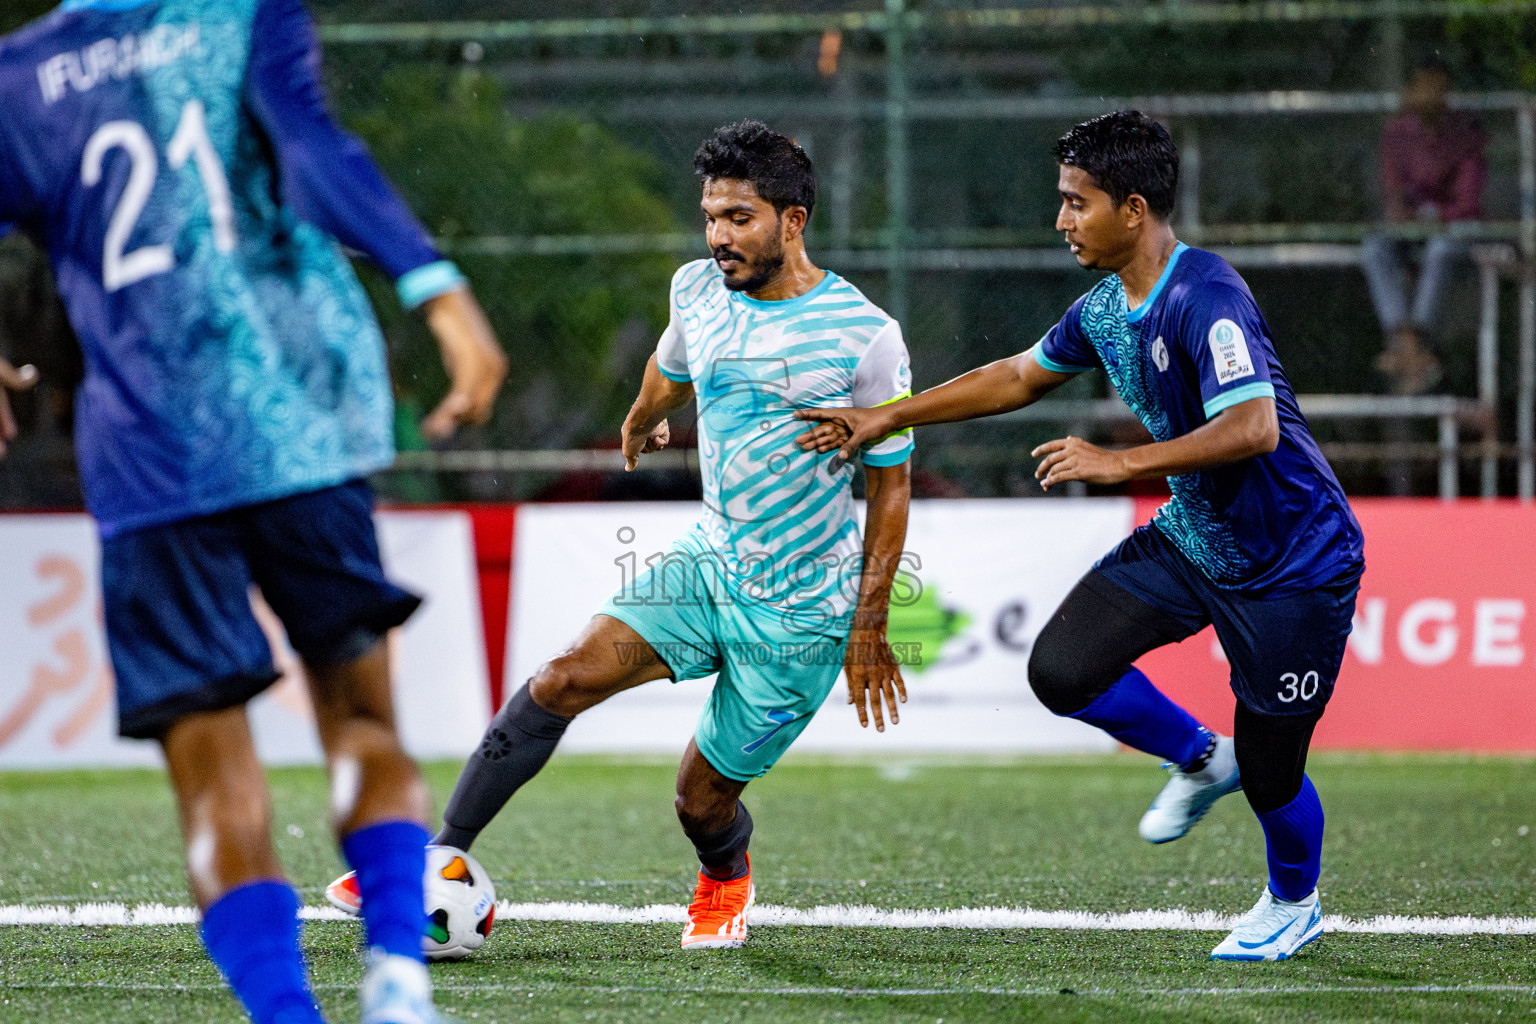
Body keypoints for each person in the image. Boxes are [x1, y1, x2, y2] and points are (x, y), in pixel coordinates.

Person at [0, 1, 508, 1022]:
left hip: (151, 462)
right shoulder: (240, 12)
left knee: (211, 776)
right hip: (296, 427)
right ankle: (398, 985)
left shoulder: (19, 76)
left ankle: (287, 1015)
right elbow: (311, 143)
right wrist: (437, 288)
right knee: (362, 717)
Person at [328, 120, 916, 950]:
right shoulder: (698, 289)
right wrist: (641, 420)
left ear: (793, 221)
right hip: (707, 566)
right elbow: (673, 365)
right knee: (563, 678)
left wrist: (868, 620)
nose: (719, 237)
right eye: (711, 216)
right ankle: (431, 860)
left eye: (739, 218)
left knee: (699, 801)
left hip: (801, 614)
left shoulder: (865, 335)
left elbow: (891, 489)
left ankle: (724, 876)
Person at [797, 110, 1364, 962]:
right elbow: (1021, 375)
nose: (1061, 220)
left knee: (1275, 766)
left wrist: (1118, 463)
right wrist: (888, 415)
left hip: (1296, 563)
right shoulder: (1106, 307)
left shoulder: (1205, 295)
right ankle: (1198, 760)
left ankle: (1295, 901)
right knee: (1062, 669)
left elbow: (1254, 430)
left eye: (1076, 203)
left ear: (1134, 209)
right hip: (1198, 540)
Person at [1361, 59, 1486, 396]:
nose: (1430, 95)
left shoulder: (1465, 133)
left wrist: (1434, 216)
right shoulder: (1397, 133)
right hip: (1412, 226)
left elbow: (1468, 202)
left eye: (1437, 87)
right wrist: (1405, 215)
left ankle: (1415, 341)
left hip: (1452, 226)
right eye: (1422, 86)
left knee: (1443, 250)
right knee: (1374, 248)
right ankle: (1406, 341)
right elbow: (1394, 193)